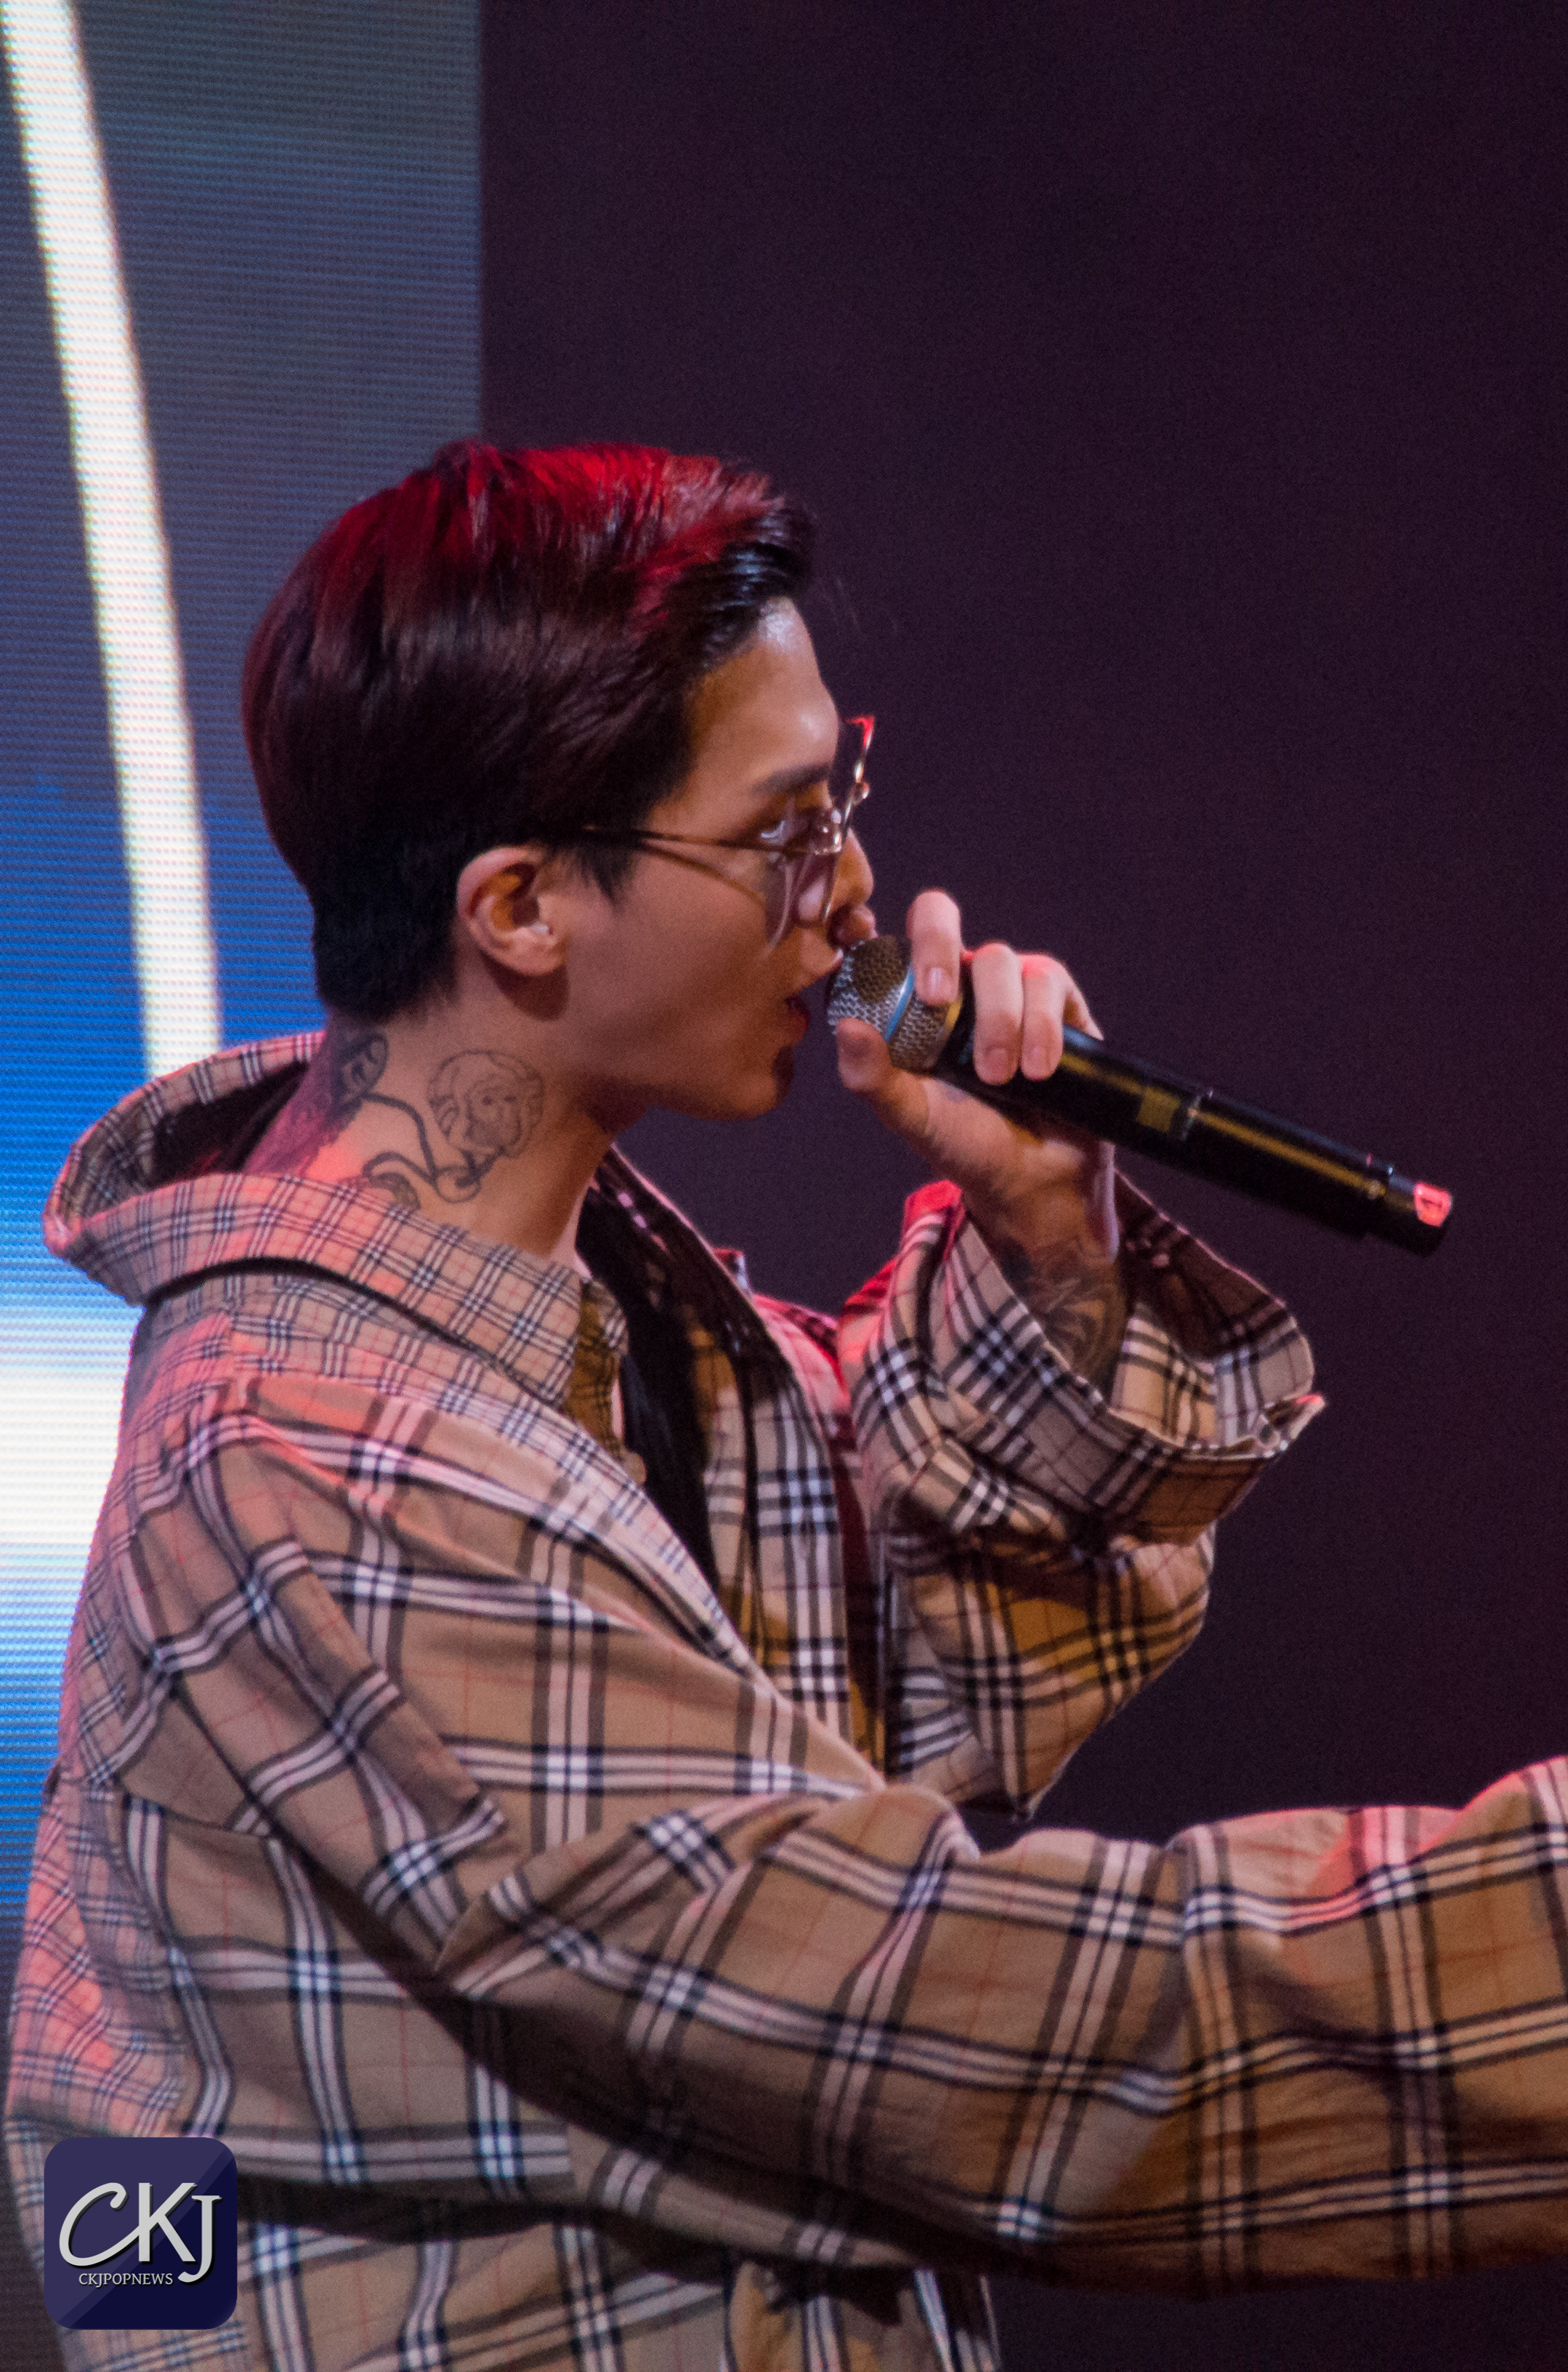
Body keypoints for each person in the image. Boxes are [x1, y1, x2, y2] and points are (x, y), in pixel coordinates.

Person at [7, 442, 1566, 2372]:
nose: (853, 898)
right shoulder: (319, 1467)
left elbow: (890, 1711)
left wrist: (1049, 1240)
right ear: (521, 907)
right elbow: (960, 2029)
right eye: (785, 830)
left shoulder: (585, 1323)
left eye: (847, 797)